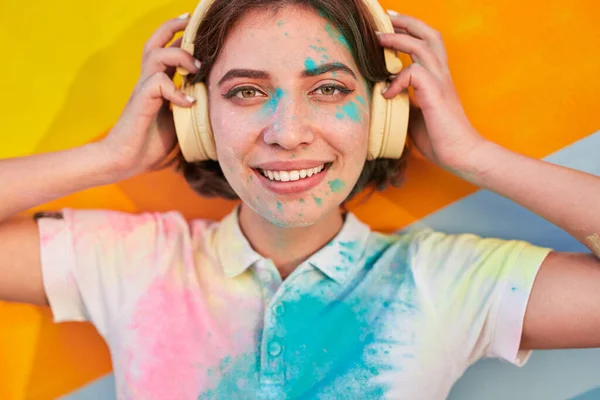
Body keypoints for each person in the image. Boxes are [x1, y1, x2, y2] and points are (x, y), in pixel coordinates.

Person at [1, 0, 599, 398]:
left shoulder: (445, 279)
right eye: (245, 91)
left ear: (383, 113)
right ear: (199, 121)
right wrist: (112, 156)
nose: (287, 132)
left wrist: (471, 155)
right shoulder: (130, 260)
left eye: (330, 88)